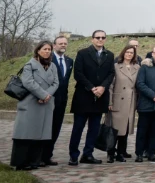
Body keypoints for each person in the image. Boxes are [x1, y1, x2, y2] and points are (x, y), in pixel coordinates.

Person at [10, 41, 59, 171]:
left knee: (40, 134)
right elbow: (28, 82)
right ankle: (21, 162)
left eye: (49, 49)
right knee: (25, 133)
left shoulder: (52, 66)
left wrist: (47, 96)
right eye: (45, 49)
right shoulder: (29, 65)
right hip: (31, 103)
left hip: (46, 104)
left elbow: (56, 82)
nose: (47, 51)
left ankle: (34, 161)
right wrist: (42, 95)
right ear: (38, 50)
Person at [68, 30, 115, 166]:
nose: (100, 39)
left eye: (103, 37)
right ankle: (73, 155)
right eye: (97, 37)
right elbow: (78, 73)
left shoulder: (110, 55)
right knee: (78, 128)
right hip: (84, 96)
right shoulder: (82, 53)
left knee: (94, 129)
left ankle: (88, 154)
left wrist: (102, 87)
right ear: (92, 39)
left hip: (100, 97)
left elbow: (111, 73)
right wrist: (91, 87)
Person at [106, 44, 139, 163]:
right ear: (123, 53)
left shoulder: (137, 67)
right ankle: (110, 153)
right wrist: (109, 101)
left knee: (124, 130)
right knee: (114, 130)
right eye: (127, 52)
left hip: (130, 102)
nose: (129, 54)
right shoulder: (116, 66)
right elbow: (110, 86)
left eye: (131, 53)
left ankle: (120, 153)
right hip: (117, 101)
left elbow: (137, 85)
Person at [43, 35, 73, 167]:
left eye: (65, 43)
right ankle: (39, 156)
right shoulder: (47, 59)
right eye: (60, 43)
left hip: (62, 100)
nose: (63, 45)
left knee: (56, 128)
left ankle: (48, 155)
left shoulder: (69, 61)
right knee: (45, 127)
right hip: (48, 98)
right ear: (54, 45)